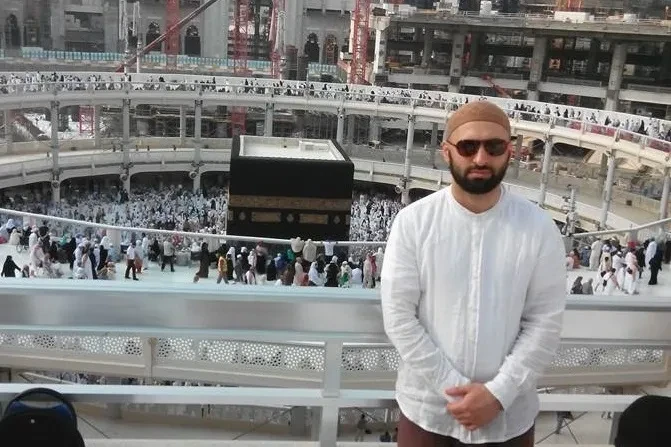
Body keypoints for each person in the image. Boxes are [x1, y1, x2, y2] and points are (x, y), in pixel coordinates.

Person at [381, 101, 566, 446]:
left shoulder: (539, 228)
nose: (481, 158)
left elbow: (545, 322)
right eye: (468, 147)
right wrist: (453, 388)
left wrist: (498, 394)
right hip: (429, 412)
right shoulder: (414, 223)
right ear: (447, 152)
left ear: (509, 151)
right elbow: (399, 317)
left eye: (493, 147)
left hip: (508, 415)